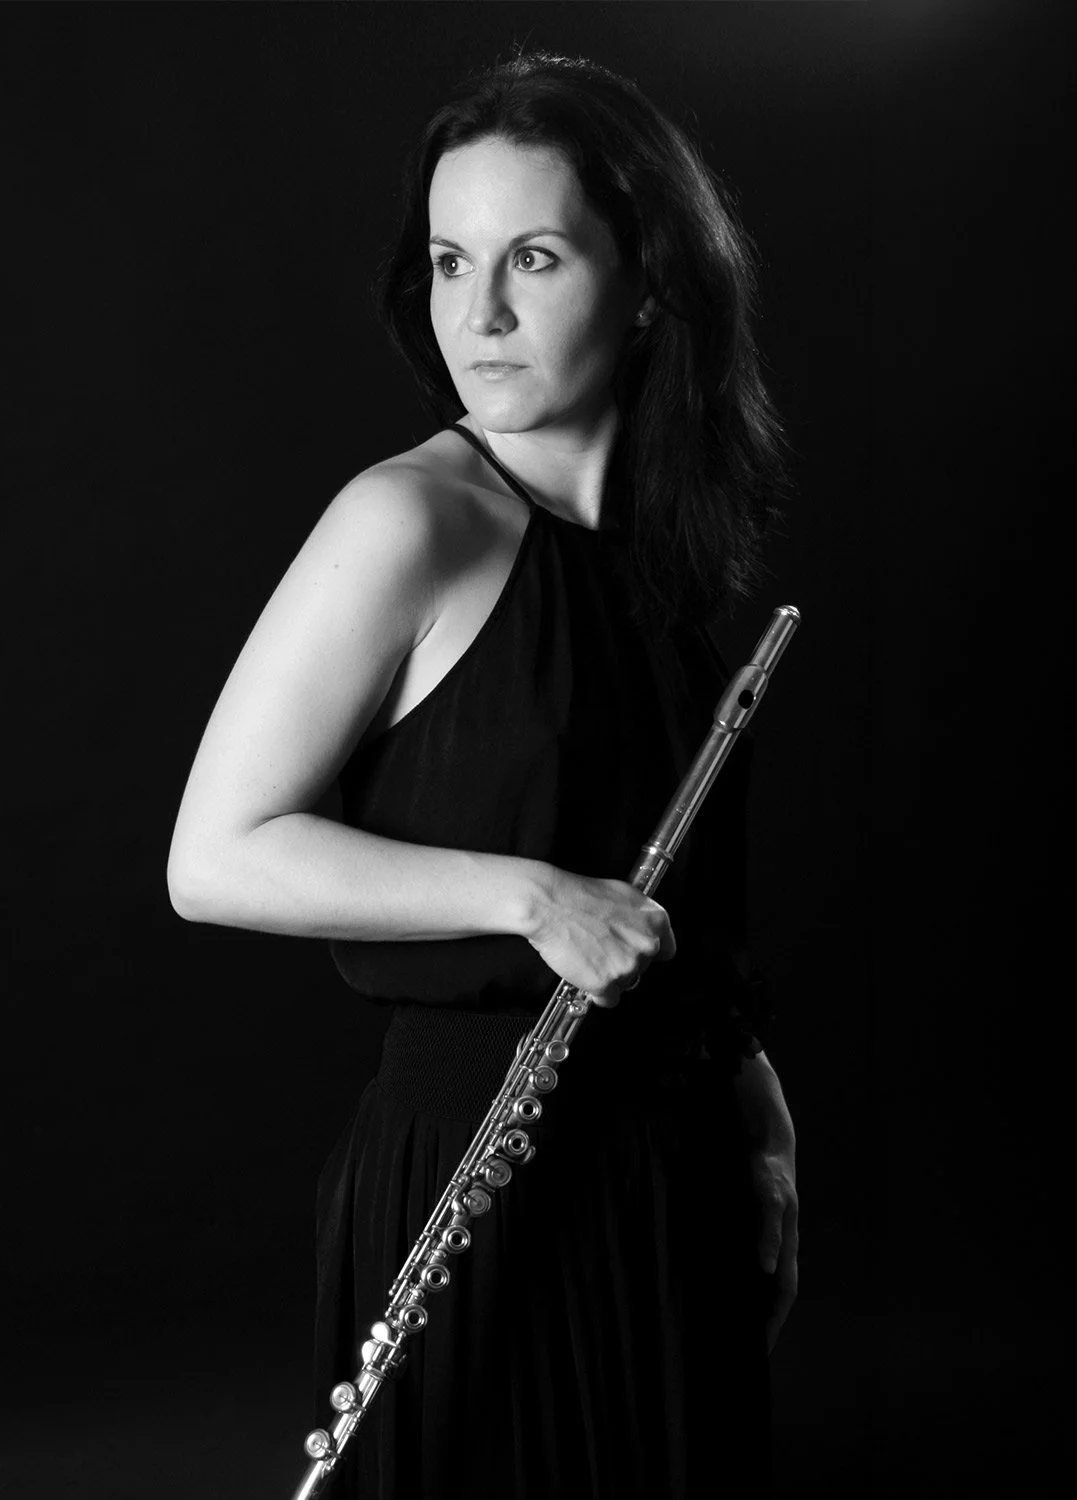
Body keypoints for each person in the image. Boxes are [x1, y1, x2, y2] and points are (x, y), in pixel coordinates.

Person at [168, 51, 798, 1500]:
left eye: (535, 257)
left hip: (674, 1167)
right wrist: (531, 899)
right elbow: (215, 855)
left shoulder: (670, 551)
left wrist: (760, 1117)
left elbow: (678, 912)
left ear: (651, 284)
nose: (481, 314)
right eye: (453, 261)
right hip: (480, 1170)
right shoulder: (409, 521)